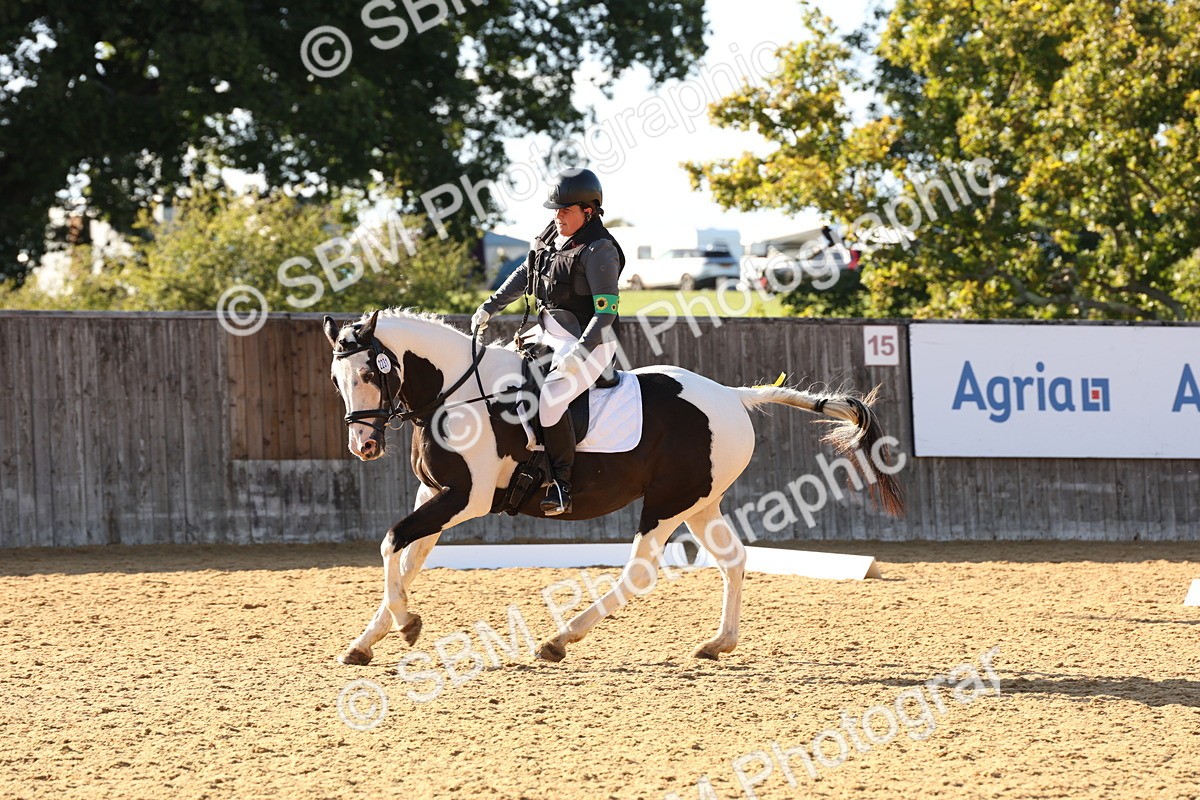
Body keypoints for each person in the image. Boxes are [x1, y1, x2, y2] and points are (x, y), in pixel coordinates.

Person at [472, 167, 625, 516]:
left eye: (565, 210)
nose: (558, 216)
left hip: (591, 342)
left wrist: (581, 354)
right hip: (546, 335)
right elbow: (526, 272)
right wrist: (490, 306)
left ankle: (561, 484)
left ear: (589, 211)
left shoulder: (600, 250)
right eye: (555, 209)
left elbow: (606, 315)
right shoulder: (550, 236)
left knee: (552, 400)